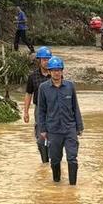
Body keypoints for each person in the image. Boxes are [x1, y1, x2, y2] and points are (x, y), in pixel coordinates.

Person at [38, 57, 84, 186]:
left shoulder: (70, 86)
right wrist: (43, 129)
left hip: (70, 128)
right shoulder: (43, 88)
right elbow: (41, 110)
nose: (56, 73)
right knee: (55, 159)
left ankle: (72, 187)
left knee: (72, 158)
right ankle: (57, 184)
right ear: (49, 72)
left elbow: (75, 107)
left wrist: (79, 126)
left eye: (58, 70)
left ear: (62, 71)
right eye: (53, 70)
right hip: (53, 130)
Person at [24, 46, 53, 164]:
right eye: (44, 59)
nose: (46, 62)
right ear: (39, 61)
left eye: (48, 59)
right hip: (39, 109)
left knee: (54, 135)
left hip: (53, 109)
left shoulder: (55, 74)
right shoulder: (33, 77)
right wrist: (26, 112)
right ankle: (45, 163)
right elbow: (28, 94)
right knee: (41, 137)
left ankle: (53, 159)